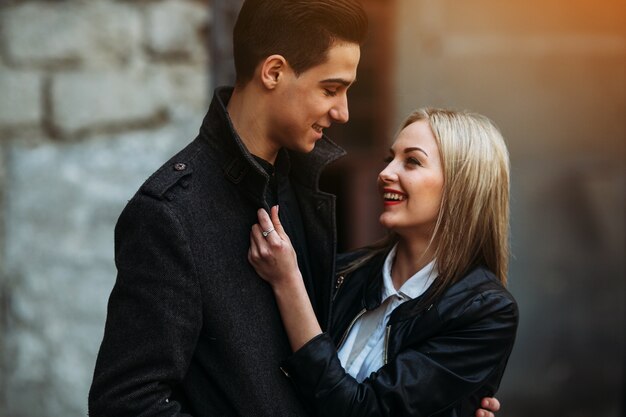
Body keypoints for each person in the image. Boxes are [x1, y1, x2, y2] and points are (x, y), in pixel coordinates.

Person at [89, 0, 501, 414]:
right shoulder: (171, 213)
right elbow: (128, 402)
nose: (342, 112)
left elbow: (353, 376)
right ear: (273, 72)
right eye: (331, 89)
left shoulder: (308, 189)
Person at [249, 108, 518, 417]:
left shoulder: (484, 310)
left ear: (463, 186)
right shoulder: (343, 273)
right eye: (389, 159)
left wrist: (287, 282)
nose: (386, 173)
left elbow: (367, 411)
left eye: (412, 161)